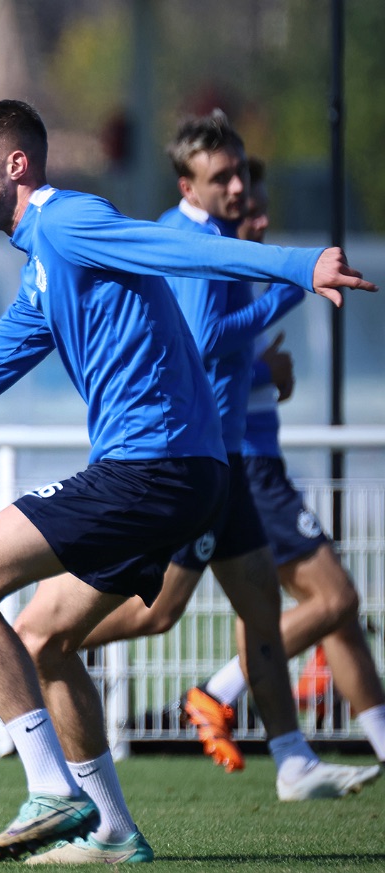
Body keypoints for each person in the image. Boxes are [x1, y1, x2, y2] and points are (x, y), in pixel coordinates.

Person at [0, 98, 375, 864]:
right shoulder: (42, 267)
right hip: (174, 473)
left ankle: (51, 788)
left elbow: (178, 250)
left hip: (153, 467)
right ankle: (113, 830)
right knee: (46, 641)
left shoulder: (67, 221)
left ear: (15, 164)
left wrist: (300, 266)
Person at [77, 112, 380, 800]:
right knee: (158, 611)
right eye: (224, 177)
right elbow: (206, 337)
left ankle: (292, 758)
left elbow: (212, 345)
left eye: (242, 171)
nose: (240, 187)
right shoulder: (190, 240)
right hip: (192, 458)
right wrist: (290, 290)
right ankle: (34, 638)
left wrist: (261, 362)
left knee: (263, 605)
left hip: (225, 457)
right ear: (188, 185)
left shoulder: (209, 234)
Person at [180, 157, 385, 772]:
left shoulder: (239, 280)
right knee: (335, 599)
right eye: (250, 210)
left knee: (336, 616)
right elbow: (200, 356)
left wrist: (265, 375)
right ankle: (217, 691)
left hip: (257, 466)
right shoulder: (213, 269)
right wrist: (283, 313)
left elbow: (230, 366)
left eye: (263, 207)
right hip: (247, 471)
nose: (262, 219)